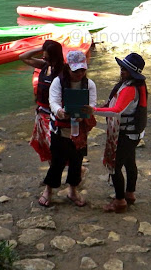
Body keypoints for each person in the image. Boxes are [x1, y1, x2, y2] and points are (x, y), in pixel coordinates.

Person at [83, 53, 147, 214]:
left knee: (115, 167)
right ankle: (130, 194)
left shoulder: (130, 89)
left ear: (132, 72)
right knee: (130, 163)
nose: (121, 71)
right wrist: (104, 105)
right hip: (134, 133)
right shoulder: (134, 85)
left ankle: (119, 202)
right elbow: (115, 104)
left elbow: (117, 110)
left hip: (125, 134)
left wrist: (95, 110)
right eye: (121, 68)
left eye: (124, 69)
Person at [47, 50, 97, 207]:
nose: (80, 73)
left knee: (77, 161)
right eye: (76, 70)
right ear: (68, 68)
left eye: (83, 70)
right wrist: (60, 112)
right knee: (57, 162)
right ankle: (48, 190)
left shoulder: (89, 84)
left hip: (79, 130)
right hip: (60, 129)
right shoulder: (58, 82)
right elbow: (53, 102)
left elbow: (93, 104)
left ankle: (72, 190)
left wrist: (87, 112)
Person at [19, 40, 65, 207]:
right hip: (41, 114)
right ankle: (61, 174)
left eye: (46, 53)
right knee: (46, 149)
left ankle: (49, 189)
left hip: (54, 117)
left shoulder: (62, 70)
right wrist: (41, 48)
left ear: (53, 55)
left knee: (54, 150)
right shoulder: (45, 66)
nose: (43, 55)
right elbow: (22, 56)